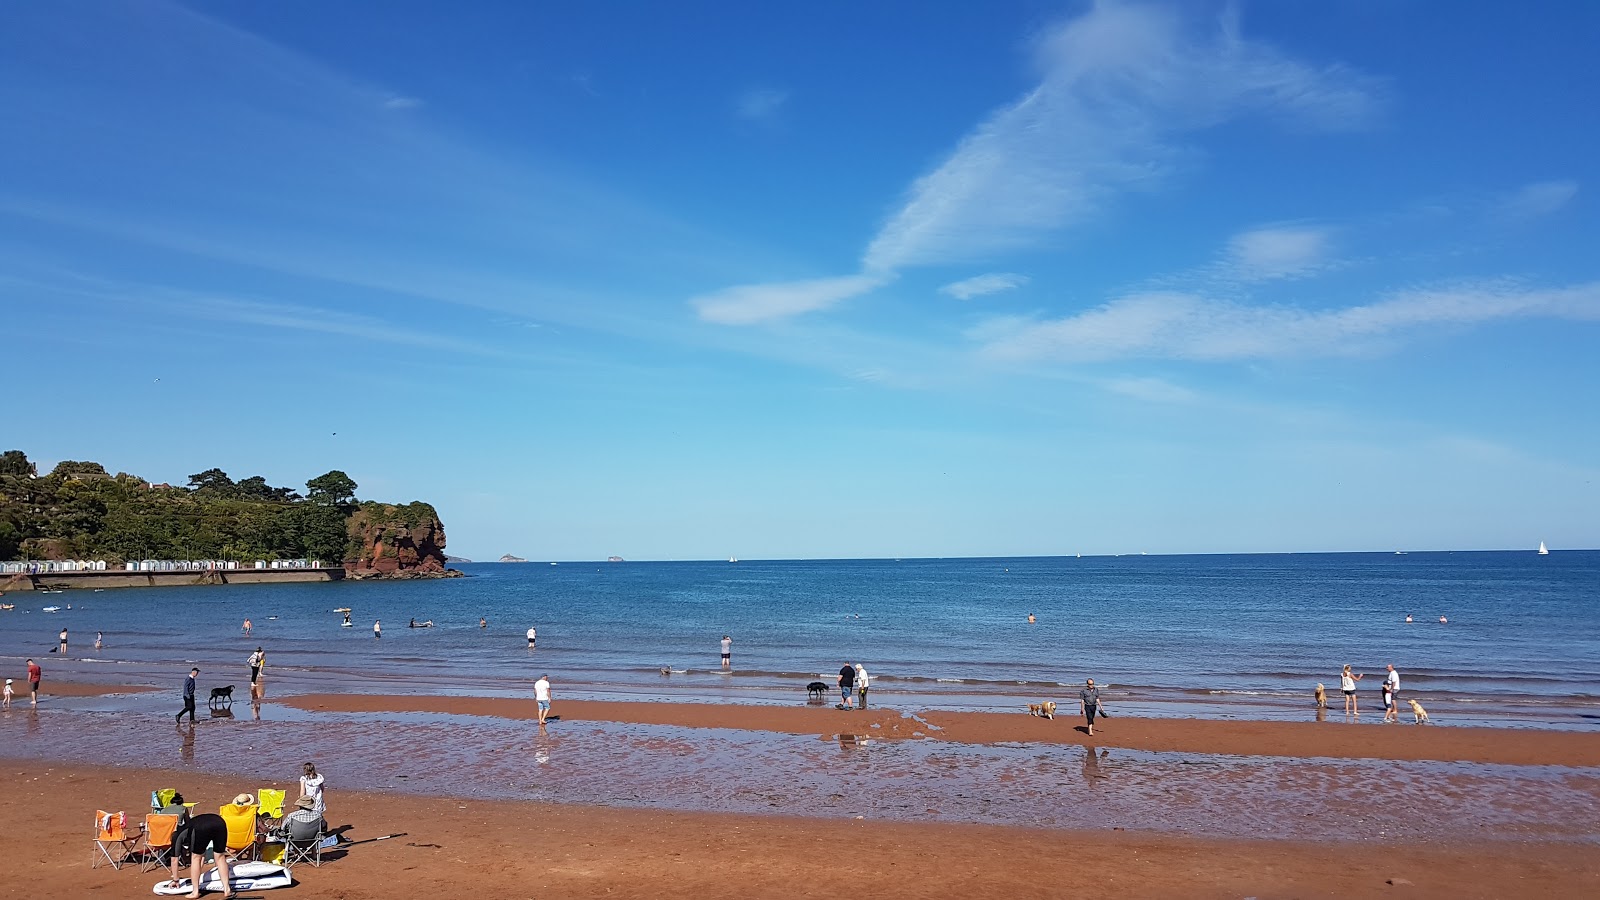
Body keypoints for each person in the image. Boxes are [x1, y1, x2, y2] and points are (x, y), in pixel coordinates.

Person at [164, 812, 233, 899]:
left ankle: (195, 892)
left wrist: (176, 880)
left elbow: (174, 860)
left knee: (195, 857)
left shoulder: (176, 837)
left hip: (202, 827)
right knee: (220, 857)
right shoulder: (188, 827)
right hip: (219, 822)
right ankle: (227, 890)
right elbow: (202, 856)